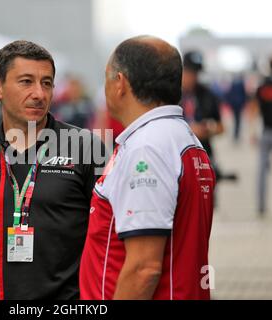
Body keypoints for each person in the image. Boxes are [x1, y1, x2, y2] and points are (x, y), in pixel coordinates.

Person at [0, 40, 106, 300]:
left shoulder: (85, 147)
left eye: (47, 83)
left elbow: (109, 240)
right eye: (26, 82)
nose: (39, 94)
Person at [79, 36, 215, 300]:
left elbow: (144, 269)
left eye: (106, 77)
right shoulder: (181, 138)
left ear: (120, 83)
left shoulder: (148, 148)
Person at [181, 51, 224, 170]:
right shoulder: (171, 95)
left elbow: (221, 127)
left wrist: (208, 129)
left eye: (197, 73)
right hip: (178, 156)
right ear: (182, 70)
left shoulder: (207, 94)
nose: (194, 77)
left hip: (203, 154)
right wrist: (189, 130)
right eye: (190, 72)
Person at [252, 57, 272, 215]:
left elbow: (254, 108)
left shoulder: (262, 85)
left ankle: (261, 205)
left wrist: (252, 131)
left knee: (262, 170)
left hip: (266, 131)